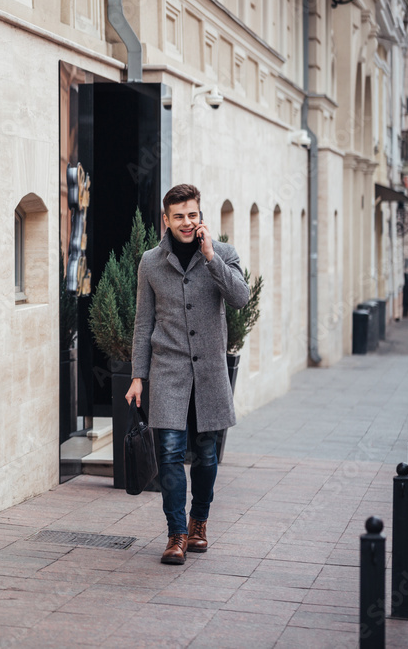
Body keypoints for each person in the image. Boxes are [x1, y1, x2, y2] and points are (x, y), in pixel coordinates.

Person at [125, 184, 250, 565]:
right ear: (166, 220)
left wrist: (211, 257)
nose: (186, 222)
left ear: (200, 216)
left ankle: (200, 523)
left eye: (192, 215)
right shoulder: (150, 262)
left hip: (210, 373)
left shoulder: (223, 254)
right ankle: (176, 534)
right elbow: (142, 324)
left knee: (207, 456)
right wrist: (137, 375)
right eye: (178, 216)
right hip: (168, 372)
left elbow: (241, 298)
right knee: (169, 455)